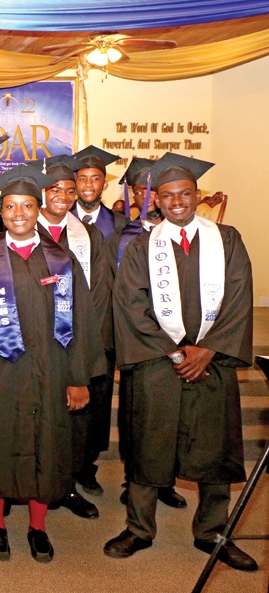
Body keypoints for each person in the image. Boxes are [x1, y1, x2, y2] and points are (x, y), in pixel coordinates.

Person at [103, 153, 257, 572]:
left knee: (214, 447)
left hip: (214, 361)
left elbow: (240, 296)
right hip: (156, 362)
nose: (176, 201)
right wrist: (174, 351)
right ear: (156, 201)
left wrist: (208, 348)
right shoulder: (140, 247)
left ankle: (213, 532)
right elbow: (131, 306)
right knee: (147, 444)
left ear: (197, 196)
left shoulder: (226, 239)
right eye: (167, 195)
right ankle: (138, 528)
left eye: (184, 193)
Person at [0, 164, 101, 563]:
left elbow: (82, 321)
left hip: (52, 369)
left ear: (38, 207)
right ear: (1, 211)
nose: (18, 214)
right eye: (10, 207)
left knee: (48, 444)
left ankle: (38, 527)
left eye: (26, 206)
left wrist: (79, 377)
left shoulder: (62, 260)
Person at [28, 155, 110, 520]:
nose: (63, 195)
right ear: (41, 193)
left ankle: (68, 485)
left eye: (70, 189)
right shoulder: (24, 228)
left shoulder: (88, 235)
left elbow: (100, 291)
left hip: (74, 339)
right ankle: (30, 485)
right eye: (55, 188)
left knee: (73, 419)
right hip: (31, 342)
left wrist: (82, 338)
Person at [105, 157, 186, 510]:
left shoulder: (187, 236)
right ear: (134, 194)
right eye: (142, 189)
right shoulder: (123, 236)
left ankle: (165, 481)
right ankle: (135, 478)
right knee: (136, 416)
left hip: (179, 336)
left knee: (173, 416)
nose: (149, 196)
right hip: (135, 335)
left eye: (154, 190)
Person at [71, 145, 127, 239]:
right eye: (82, 178)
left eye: (95, 178)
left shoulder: (120, 223)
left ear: (105, 185)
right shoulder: (63, 218)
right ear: (75, 184)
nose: (88, 184)